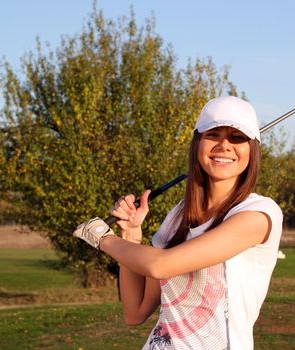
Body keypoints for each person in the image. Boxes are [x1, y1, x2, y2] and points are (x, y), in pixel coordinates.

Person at [73, 95, 283, 350]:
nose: (225, 145)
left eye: (237, 137)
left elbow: (161, 266)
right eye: (213, 134)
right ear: (197, 144)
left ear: (252, 150)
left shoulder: (259, 214)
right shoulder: (176, 218)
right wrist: (130, 236)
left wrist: (101, 237)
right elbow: (135, 312)